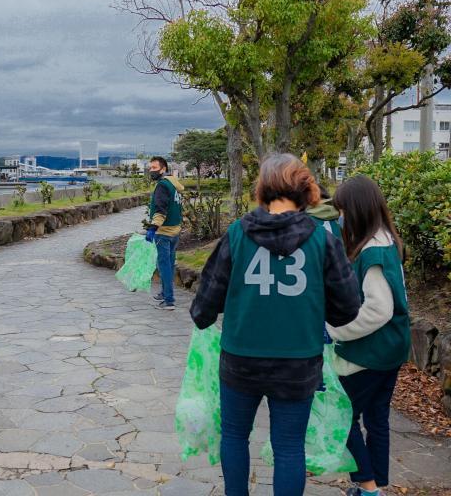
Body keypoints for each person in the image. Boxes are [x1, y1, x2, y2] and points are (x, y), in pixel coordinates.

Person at [190, 153, 361, 496]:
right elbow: (348, 308)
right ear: (306, 189)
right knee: (289, 446)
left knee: (235, 435)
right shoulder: (322, 239)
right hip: (298, 362)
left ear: (263, 188)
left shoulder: (237, 234)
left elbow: (203, 308)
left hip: (240, 358)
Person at [328, 175, 410, 496]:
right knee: (377, 419)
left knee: (340, 417)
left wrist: (334, 330)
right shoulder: (387, 241)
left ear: (357, 210)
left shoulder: (372, 251)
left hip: (370, 353)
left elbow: (378, 309)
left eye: (343, 210)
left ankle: (368, 486)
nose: (340, 217)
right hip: (391, 349)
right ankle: (374, 487)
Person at [145, 156, 186, 310]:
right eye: (150, 168)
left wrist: (152, 228)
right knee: (169, 264)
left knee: (164, 266)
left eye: (154, 168)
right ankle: (164, 292)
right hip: (175, 231)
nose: (151, 171)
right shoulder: (172, 183)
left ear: (163, 169)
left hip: (163, 232)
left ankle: (169, 301)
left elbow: (160, 209)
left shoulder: (162, 185)